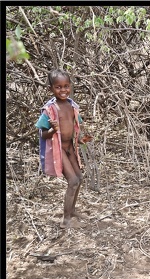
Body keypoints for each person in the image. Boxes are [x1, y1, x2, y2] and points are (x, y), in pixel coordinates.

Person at [35, 69, 93, 229]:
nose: (63, 90)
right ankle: (66, 220)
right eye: (58, 87)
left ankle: (72, 211)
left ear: (70, 86)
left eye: (66, 86)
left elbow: (75, 128)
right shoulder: (50, 110)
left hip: (70, 148)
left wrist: (82, 140)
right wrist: (53, 130)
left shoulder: (72, 106)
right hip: (59, 149)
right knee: (73, 181)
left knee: (79, 178)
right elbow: (42, 134)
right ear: (51, 89)